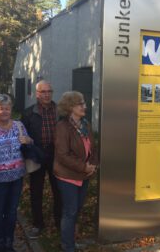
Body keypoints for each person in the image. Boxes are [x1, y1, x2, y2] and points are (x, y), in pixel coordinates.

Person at [53, 91, 98, 252]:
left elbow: (92, 147)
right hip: (68, 176)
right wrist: (83, 167)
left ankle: (71, 241)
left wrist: (93, 164)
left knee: (76, 210)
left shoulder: (85, 124)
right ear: (71, 107)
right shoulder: (62, 126)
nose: (85, 106)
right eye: (81, 104)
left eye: (84, 103)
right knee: (70, 211)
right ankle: (68, 246)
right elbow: (62, 155)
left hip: (84, 174)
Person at [0, 94, 32, 252]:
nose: (4, 111)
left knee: (12, 212)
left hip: (17, 177)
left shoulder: (18, 125)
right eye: (1, 108)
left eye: (7, 108)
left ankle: (8, 243)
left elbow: (29, 141)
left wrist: (28, 140)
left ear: (11, 109)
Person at [21, 80, 61, 238]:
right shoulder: (29, 112)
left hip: (56, 156)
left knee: (58, 191)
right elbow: (23, 135)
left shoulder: (60, 111)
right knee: (36, 192)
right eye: (43, 92)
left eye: (49, 91)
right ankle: (38, 224)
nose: (46, 94)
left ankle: (59, 222)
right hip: (37, 156)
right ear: (37, 94)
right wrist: (28, 154)